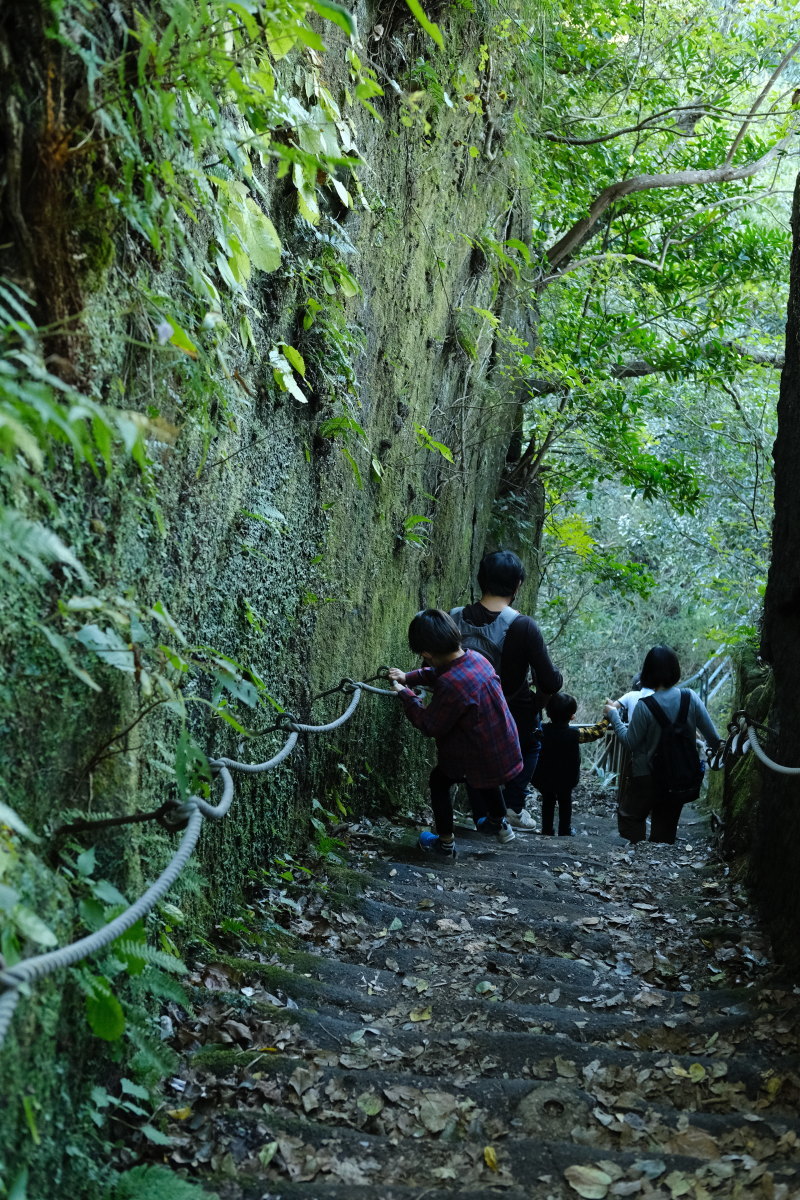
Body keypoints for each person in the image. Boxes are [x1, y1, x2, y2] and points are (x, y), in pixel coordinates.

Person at [388, 609, 522, 859]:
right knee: (487, 778)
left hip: (476, 753)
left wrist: (406, 696)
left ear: (426, 654)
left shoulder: (452, 684)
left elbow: (430, 725)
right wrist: (409, 677)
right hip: (503, 746)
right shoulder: (477, 659)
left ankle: (445, 845)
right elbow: (442, 671)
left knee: (439, 781)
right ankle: (499, 823)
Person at [449, 550, 562, 829]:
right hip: (514, 713)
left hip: (465, 712)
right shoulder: (523, 626)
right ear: (518, 585)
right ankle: (513, 806)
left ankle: (484, 816)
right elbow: (550, 681)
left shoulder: (453, 618)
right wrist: (539, 700)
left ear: (480, 580)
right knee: (532, 743)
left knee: (474, 754)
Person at [604, 645, 721, 844]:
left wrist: (613, 716)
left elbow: (630, 742)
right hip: (680, 775)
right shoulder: (690, 697)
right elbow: (714, 739)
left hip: (646, 776)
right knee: (665, 825)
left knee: (630, 816)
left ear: (647, 672)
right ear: (675, 669)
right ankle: (657, 863)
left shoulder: (644, 706)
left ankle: (636, 857)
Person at [533, 693, 610, 836]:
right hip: (566, 778)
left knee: (548, 801)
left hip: (545, 777)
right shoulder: (576, 734)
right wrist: (607, 718)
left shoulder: (541, 731)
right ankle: (565, 830)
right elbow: (597, 732)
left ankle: (547, 830)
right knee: (565, 802)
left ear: (548, 713)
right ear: (572, 716)